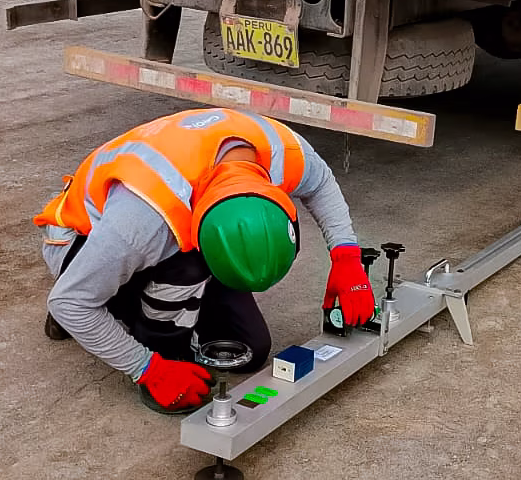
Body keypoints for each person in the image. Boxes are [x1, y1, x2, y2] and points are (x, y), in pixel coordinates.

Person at [34, 107, 376, 413]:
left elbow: (321, 185)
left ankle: (129, 300)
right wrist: (149, 368)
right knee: (183, 271)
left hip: (167, 227)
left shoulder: (281, 153)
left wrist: (346, 258)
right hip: (81, 239)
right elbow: (68, 303)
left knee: (249, 351)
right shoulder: (140, 220)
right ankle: (140, 329)